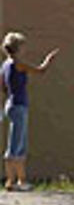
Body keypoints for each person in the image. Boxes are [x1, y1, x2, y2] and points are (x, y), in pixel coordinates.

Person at [2, 32, 58, 191]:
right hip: (19, 105)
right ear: (17, 48)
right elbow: (40, 71)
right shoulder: (17, 63)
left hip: (11, 105)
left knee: (19, 142)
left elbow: (2, 86)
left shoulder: (5, 65)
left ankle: (20, 181)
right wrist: (49, 60)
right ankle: (12, 181)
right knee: (16, 144)